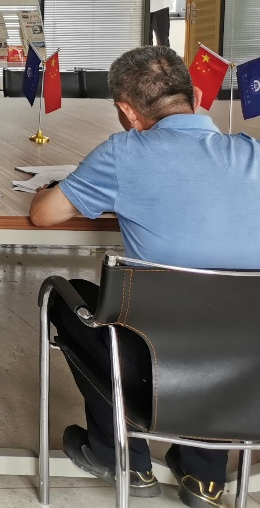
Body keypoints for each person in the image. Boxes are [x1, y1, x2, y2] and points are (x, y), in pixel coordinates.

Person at [31, 46, 260, 506]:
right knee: (219, 317)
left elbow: (44, 215)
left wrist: (52, 189)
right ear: (198, 97)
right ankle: (204, 477)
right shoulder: (252, 153)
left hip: (157, 359)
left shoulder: (124, 153)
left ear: (128, 112)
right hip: (244, 362)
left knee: (67, 297)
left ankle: (122, 458)